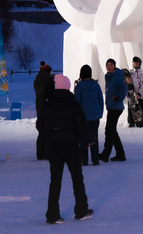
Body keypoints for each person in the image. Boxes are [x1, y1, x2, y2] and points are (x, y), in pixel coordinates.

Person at [38, 75, 95, 224]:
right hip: (71, 147)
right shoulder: (73, 104)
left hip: (53, 147)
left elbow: (40, 126)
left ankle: (52, 215)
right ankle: (82, 210)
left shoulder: (47, 105)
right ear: (68, 87)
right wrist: (90, 139)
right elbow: (82, 126)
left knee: (55, 180)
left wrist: (51, 134)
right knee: (77, 178)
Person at [73, 64, 103, 166]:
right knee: (94, 136)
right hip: (95, 115)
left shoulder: (78, 87)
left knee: (83, 137)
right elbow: (100, 100)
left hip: (83, 117)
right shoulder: (96, 85)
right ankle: (95, 159)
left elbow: (77, 103)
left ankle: (84, 160)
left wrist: (76, 117)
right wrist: (100, 113)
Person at [98, 58, 126, 162]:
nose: (109, 66)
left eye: (111, 65)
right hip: (112, 106)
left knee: (109, 130)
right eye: (107, 65)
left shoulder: (116, 77)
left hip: (116, 107)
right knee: (111, 131)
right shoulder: (110, 76)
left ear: (114, 66)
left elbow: (124, 88)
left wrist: (118, 98)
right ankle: (120, 154)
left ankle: (106, 154)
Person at [34, 61, 54, 160]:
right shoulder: (49, 80)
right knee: (48, 130)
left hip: (39, 106)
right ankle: (46, 152)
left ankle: (40, 153)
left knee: (41, 130)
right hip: (48, 106)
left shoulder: (37, 79)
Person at [129, 56, 143, 127]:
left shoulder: (142, 73)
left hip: (139, 94)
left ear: (139, 64)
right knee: (131, 108)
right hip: (132, 94)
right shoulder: (130, 72)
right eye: (134, 63)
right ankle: (131, 122)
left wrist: (139, 93)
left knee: (141, 107)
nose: (135, 64)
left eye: (136, 63)